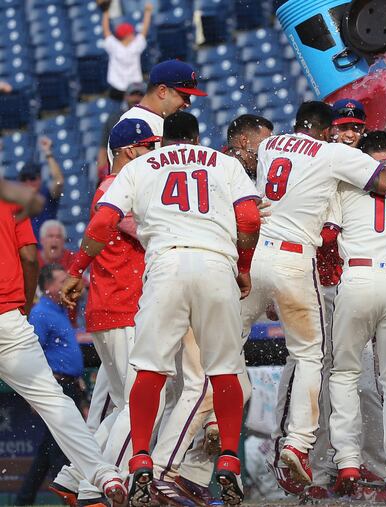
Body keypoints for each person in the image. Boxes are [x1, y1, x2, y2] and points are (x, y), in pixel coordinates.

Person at [61, 111, 261, 506]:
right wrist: (243, 266)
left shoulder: (141, 167)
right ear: (197, 137)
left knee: (149, 371)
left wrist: (76, 269)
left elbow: (103, 222)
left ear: (165, 140)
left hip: (165, 268)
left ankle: (139, 461)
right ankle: (230, 461)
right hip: (216, 266)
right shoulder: (225, 163)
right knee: (222, 372)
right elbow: (250, 219)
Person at [242, 101, 386, 489]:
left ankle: (216, 428)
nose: (348, 134)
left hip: (261, 255)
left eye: (356, 127)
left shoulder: (271, 146)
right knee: (310, 361)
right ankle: (297, 448)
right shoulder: (334, 157)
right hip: (303, 265)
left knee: (228, 349)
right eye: (342, 127)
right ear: (329, 129)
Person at [49, 119, 159, 506]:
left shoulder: (113, 188)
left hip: (110, 308)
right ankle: (97, 485)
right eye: (149, 147)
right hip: (122, 308)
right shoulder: (118, 189)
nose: (156, 155)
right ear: (129, 150)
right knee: (146, 404)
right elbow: (154, 231)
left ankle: (73, 475)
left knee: (125, 405)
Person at [0, 191, 127, 507]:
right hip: (7, 318)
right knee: (55, 403)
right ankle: (102, 473)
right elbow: (30, 256)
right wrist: (23, 307)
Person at [327, 128, 386, 500]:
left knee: (345, 372)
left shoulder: (348, 180)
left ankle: (348, 460)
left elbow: (328, 235)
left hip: (359, 277)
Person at [15, 264, 86, 505]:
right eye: (60, 281)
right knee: (61, 445)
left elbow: (63, 350)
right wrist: (36, 391)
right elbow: (33, 353)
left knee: (52, 446)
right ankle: (71, 496)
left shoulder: (60, 309)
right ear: (47, 287)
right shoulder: (41, 313)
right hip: (55, 386)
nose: (66, 285)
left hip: (70, 385)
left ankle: (24, 500)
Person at [107, 59, 207, 166]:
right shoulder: (134, 126)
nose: (188, 104)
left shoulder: (165, 122)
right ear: (162, 91)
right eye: (184, 97)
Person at [102, 2, 153, 101]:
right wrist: (147, 12)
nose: (133, 35)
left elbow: (106, 31)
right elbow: (144, 30)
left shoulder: (114, 45)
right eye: (132, 33)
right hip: (134, 87)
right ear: (127, 36)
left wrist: (105, 11)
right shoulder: (135, 46)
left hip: (117, 86)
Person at [18, 137, 64, 239]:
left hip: (46, 252)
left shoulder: (46, 194)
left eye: (32, 178)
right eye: (24, 179)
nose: (28, 182)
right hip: (27, 252)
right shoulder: (17, 201)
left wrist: (48, 152)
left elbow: (59, 181)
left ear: (40, 179)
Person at [97, 81, 148, 173]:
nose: (136, 98)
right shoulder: (114, 119)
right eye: (133, 94)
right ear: (126, 97)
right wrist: (101, 170)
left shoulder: (150, 118)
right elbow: (104, 147)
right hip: (120, 166)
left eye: (140, 95)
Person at [226, 114, 274, 178]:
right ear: (244, 141)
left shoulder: (219, 164)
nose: (269, 148)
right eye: (264, 143)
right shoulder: (231, 167)